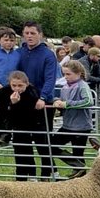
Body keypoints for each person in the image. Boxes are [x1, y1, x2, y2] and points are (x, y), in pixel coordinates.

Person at [15, 20, 58, 179]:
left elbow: (50, 79)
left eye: (33, 33)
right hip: (22, 103)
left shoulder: (48, 55)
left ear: (40, 35)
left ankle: (46, 176)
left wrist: (43, 97)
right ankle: (27, 176)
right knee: (22, 142)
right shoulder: (19, 52)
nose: (29, 36)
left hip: (41, 104)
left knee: (43, 143)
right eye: (26, 33)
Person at [51, 59, 94, 177]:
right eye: (64, 74)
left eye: (68, 74)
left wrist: (67, 104)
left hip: (81, 126)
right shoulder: (65, 87)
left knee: (78, 152)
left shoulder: (83, 86)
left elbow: (89, 101)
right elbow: (62, 101)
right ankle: (78, 165)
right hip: (67, 125)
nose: (66, 77)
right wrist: (57, 102)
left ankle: (81, 177)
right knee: (51, 145)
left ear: (79, 73)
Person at [4, 71, 45, 181]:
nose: (17, 88)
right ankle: (20, 180)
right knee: (19, 154)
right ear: (10, 84)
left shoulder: (33, 92)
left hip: (32, 126)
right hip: (17, 128)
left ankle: (32, 177)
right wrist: (12, 104)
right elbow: (6, 112)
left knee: (29, 153)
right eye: (14, 85)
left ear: (26, 84)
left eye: (20, 85)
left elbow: (33, 110)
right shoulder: (6, 92)